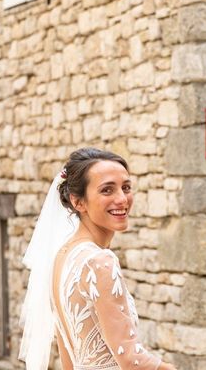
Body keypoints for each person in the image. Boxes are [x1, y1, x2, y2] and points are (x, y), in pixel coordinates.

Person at [19, 147, 175, 370]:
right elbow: (130, 359)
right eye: (107, 190)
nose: (122, 199)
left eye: (126, 187)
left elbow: (68, 356)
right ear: (78, 202)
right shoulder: (99, 261)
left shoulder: (63, 256)